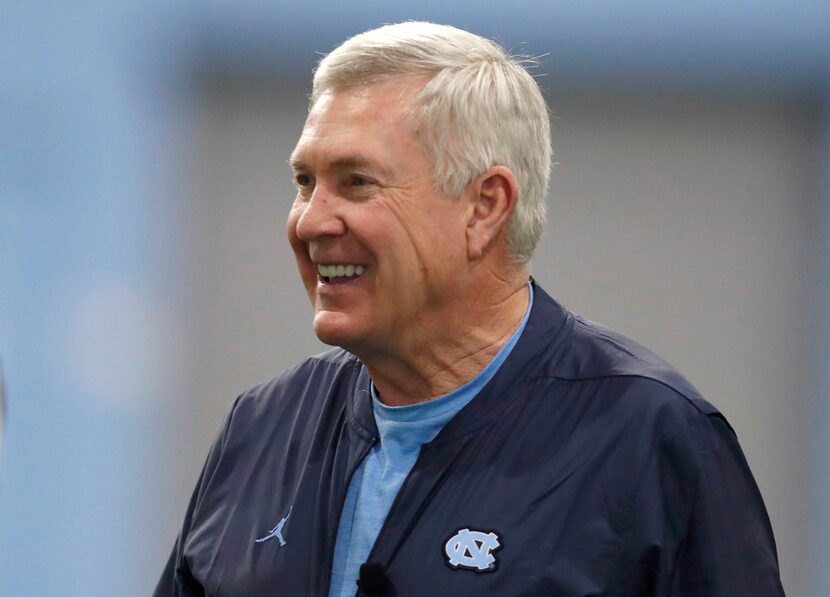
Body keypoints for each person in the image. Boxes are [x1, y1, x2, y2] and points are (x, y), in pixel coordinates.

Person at [154, 22, 785, 597]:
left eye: (357, 182)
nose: (312, 220)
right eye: (303, 182)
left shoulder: (652, 440)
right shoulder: (260, 428)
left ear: (484, 207)